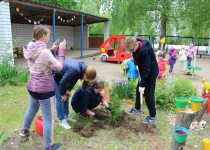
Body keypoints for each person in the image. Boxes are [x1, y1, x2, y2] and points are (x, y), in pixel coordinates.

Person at [20, 25, 66, 150]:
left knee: (31, 109)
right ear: (43, 36)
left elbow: (39, 58)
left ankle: (24, 130)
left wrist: (52, 49)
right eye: (48, 36)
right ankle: (49, 146)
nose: (49, 38)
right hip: (44, 89)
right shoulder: (44, 52)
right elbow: (59, 66)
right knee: (48, 118)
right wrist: (61, 50)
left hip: (32, 87)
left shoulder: (29, 48)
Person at [53, 59, 96, 129]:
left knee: (66, 96)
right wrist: (63, 93)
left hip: (63, 76)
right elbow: (62, 82)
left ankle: (66, 115)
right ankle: (61, 120)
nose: (88, 81)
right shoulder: (75, 70)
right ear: (85, 75)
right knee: (59, 98)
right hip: (55, 75)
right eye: (88, 79)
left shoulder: (82, 68)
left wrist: (68, 90)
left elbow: (73, 80)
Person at [125, 36, 159, 123]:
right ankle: (137, 108)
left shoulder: (145, 51)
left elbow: (147, 69)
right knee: (138, 90)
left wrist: (143, 84)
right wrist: (136, 64)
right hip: (143, 71)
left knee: (148, 94)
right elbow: (135, 56)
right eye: (130, 51)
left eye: (132, 50)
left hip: (151, 73)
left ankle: (152, 116)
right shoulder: (135, 46)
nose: (131, 52)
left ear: (136, 44)